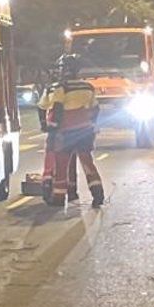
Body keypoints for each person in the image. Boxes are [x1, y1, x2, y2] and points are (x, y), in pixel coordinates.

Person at [38, 54, 105, 208]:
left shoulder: (59, 88)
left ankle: (59, 198)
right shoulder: (87, 87)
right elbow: (95, 108)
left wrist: (48, 125)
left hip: (65, 131)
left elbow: (54, 108)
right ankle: (97, 193)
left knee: (61, 165)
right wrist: (93, 125)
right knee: (88, 162)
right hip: (85, 131)